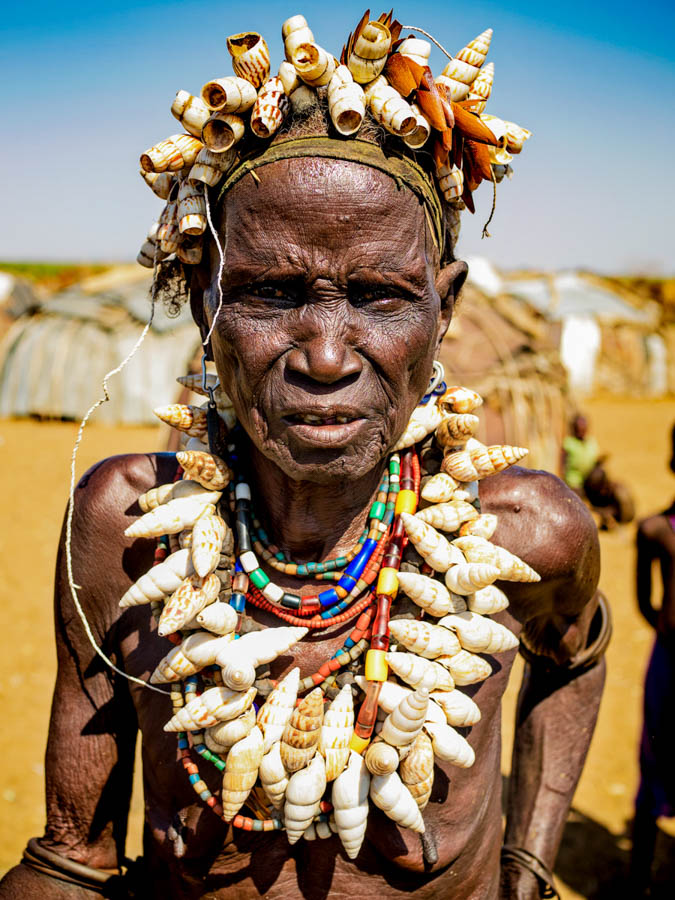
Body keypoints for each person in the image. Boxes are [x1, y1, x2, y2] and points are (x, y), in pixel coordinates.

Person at [0, 14, 607, 900]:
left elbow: (575, 659)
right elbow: (71, 858)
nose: (325, 355)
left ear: (444, 308)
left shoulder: (525, 534)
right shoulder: (124, 528)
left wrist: (526, 863)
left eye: (379, 298)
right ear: (205, 291)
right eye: (272, 293)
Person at [630, 424, 675, 895]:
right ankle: (638, 878)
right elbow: (646, 603)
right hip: (668, 663)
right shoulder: (654, 530)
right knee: (656, 754)